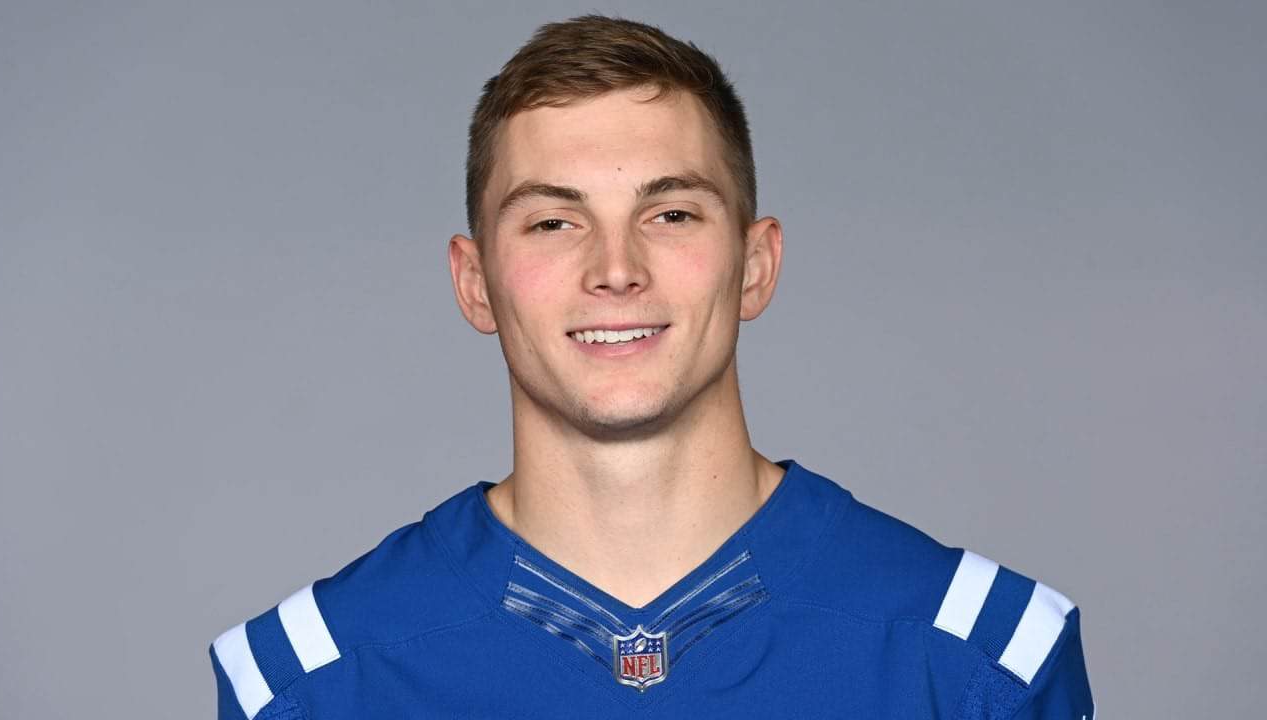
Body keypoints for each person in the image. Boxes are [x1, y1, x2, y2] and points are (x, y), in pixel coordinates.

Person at [208, 14, 1094, 719]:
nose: (615, 268)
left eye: (670, 213)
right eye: (553, 222)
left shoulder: (981, 654)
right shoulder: (310, 680)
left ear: (755, 265)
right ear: (475, 283)